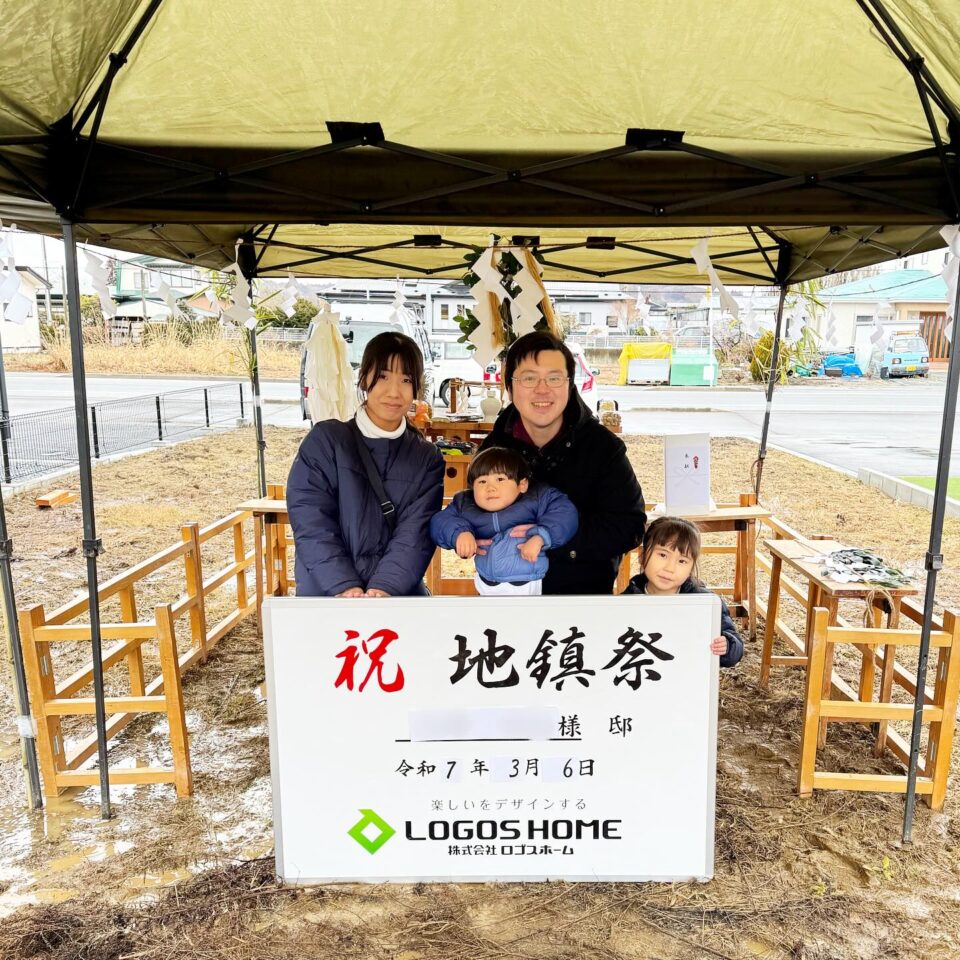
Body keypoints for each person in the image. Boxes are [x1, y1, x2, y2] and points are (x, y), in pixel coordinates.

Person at [480, 331, 646, 594]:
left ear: (570, 385)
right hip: (506, 595)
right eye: (529, 378)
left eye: (554, 378)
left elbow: (629, 525)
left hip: (580, 600)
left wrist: (553, 539)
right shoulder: (494, 448)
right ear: (509, 387)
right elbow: (473, 508)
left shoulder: (602, 447)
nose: (542, 389)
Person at [287, 331, 444, 597]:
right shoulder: (326, 441)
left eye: (406, 379)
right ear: (364, 377)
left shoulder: (426, 458)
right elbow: (311, 519)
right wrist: (343, 585)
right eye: (383, 376)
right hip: (327, 592)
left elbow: (415, 533)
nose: (394, 391)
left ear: (417, 387)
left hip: (393, 596)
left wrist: (385, 587)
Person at [430, 446, 579, 596]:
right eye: (482, 481)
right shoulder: (464, 504)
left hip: (526, 584)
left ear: (522, 484)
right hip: (486, 584)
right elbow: (440, 521)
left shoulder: (537, 498)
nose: (490, 488)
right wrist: (459, 534)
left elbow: (565, 513)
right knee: (489, 617)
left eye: (500, 479)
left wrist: (541, 536)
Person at [622, 517, 743, 668]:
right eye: (663, 555)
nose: (669, 568)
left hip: (685, 684)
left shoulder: (704, 603)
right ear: (643, 555)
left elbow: (736, 650)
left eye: (682, 561)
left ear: (691, 568)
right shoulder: (626, 600)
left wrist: (727, 646)